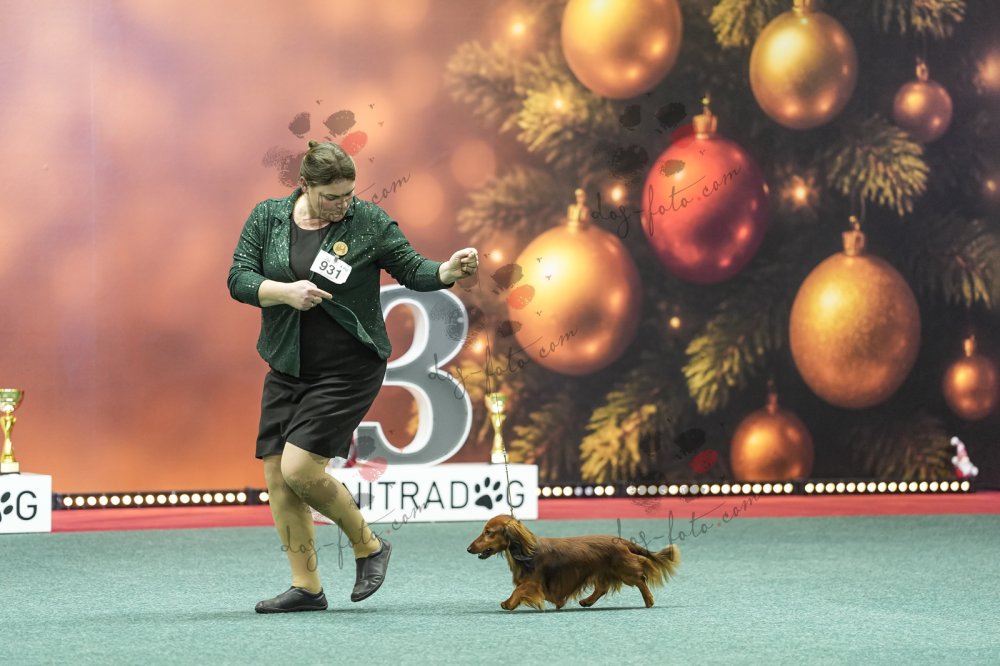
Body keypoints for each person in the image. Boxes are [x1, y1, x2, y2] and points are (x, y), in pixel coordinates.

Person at [228, 140, 479, 613]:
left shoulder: (368, 221)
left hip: (349, 368)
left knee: (300, 470)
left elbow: (413, 269)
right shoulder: (267, 217)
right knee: (278, 479)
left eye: (348, 194)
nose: (342, 204)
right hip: (287, 365)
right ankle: (306, 587)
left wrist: (447, 269)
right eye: (331, 197)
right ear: (305, 185)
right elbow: (238, 278)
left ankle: (369, 546)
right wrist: (284, 292)